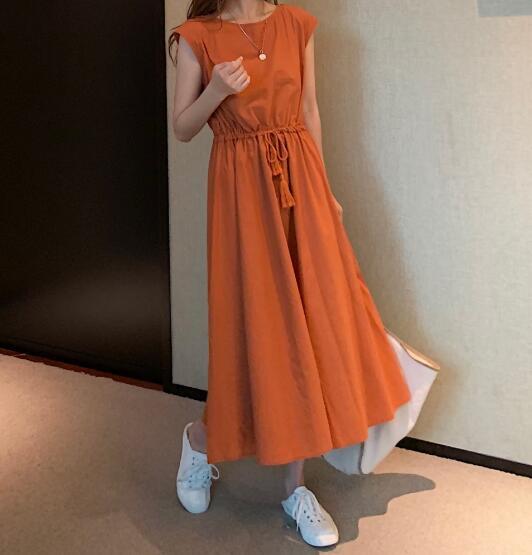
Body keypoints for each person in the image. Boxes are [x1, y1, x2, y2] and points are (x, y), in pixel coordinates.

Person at [168, 1, 411, 547]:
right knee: (257, 332)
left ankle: (295, 490)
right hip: (241, 194)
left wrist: (324, 191)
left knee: (313, 329)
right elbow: (182, 127)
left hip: (300, 183)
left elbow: (309, 109)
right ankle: (200, 441)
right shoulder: (197, 36)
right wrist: (216, 91)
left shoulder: (296, 24)